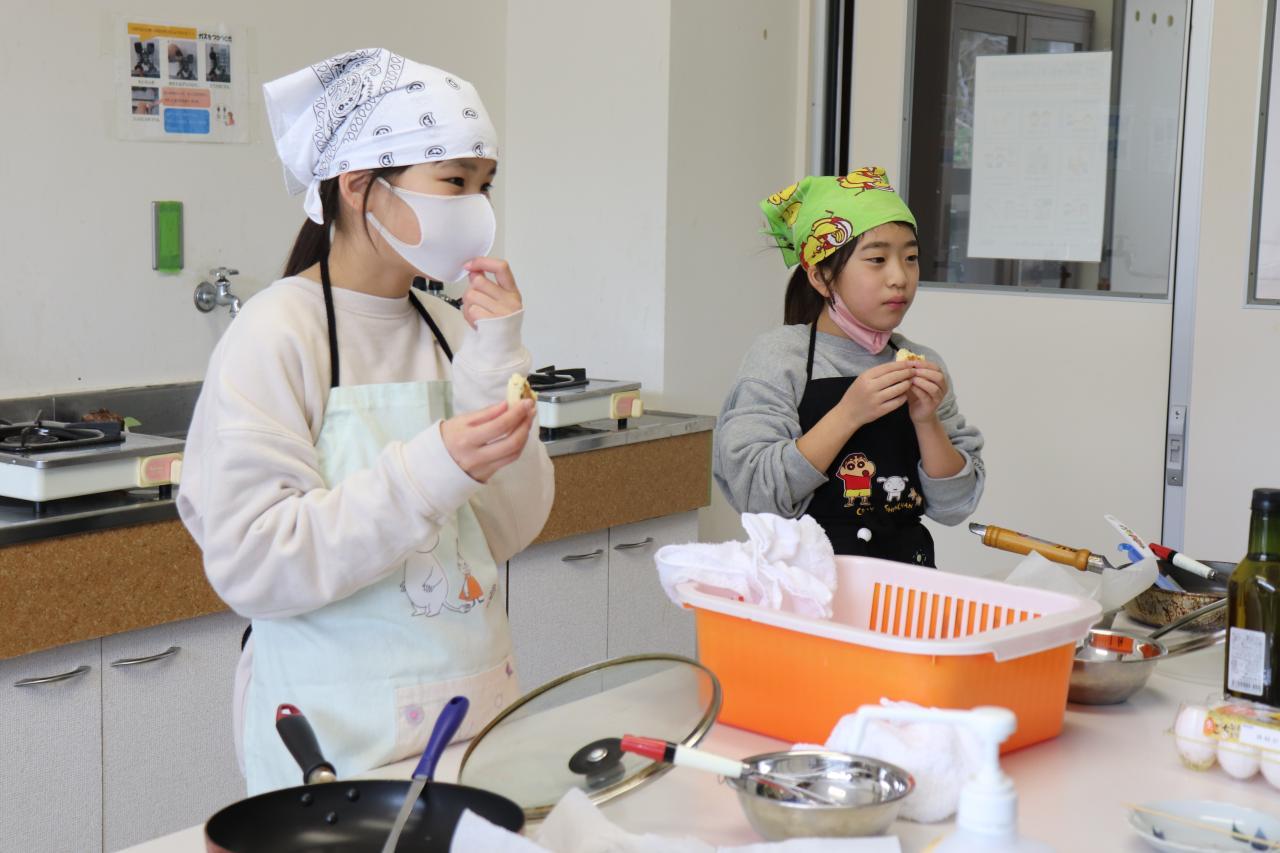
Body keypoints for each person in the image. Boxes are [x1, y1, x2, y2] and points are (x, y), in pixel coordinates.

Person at [177, 48, 554, 794]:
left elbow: (510, 528)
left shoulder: (451, 330)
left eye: (484, 185)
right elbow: (254, 562)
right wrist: (431, 470)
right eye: (454, 182)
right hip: (334, 744)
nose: (477, 208)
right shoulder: (278, 331)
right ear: (358, 187)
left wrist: (494, 360)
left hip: (473, 721)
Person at [714, 167, 983, 566]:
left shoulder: (922, 363)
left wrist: (927, 421)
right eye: (877, 259)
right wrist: (849, 414)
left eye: (911, 258)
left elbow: (954, 505)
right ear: (822, 276)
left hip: (903, 581)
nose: (900, 277)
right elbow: (757, 495)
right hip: (805, 582)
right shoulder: (779, 358)